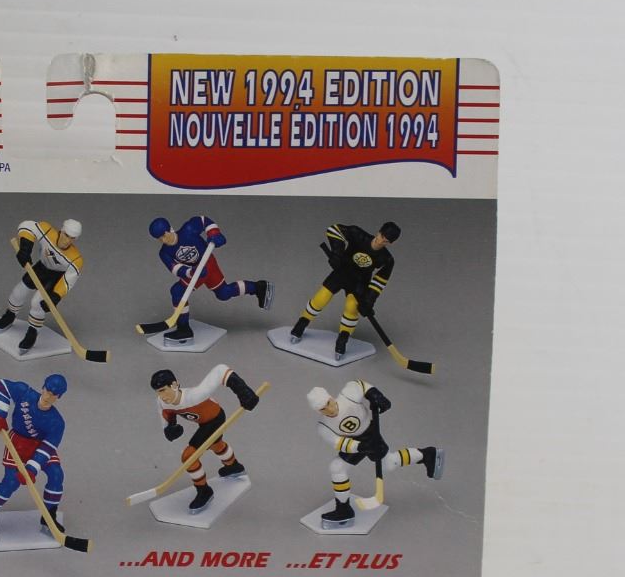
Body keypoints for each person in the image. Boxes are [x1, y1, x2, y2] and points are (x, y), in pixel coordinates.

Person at [307, 380, 441, 529]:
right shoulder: (323, 427)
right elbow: (339, 443)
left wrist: (375, 394)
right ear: (318, 411)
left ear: (331, 397)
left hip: (371, 434)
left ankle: (427, 455)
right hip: (355, 444)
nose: (329, 409)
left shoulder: (347, 397)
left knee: (389, 464)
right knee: (337, 467)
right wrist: (360, 447)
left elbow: (359, 385)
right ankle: (343, 509)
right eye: (323, 409)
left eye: (328, 403)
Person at [138, 215, 271, 342]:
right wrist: (190, 272)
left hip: (208, 263)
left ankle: (184, 329)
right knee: (221, 293)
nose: (163, 240)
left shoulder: (188, 230)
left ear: (170, 229)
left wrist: (214, 233)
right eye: (159, 238)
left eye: (163, 235)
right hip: (196, 271)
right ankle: (258, 287)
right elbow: (176, 269)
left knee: (182, 291)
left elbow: (203, 220)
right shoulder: (164, 253)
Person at [150, 364, 261, 513]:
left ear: (174, 385)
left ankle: (204, 491)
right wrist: (170, 428)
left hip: (215, 419)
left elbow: (221, 370)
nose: (162, 396)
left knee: (189, 456)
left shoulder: (194, 395)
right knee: (215, 444)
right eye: (158, 392)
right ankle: (233, 466)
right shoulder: (162, 402)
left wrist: (243, 391)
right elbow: (166, 417)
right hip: (203, 423)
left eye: (164, 390)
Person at [0, 373, 68, 539]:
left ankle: (49, 518)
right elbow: (0, 386)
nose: (48, 396)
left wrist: (32, 468)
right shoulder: (25, 393)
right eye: (47, 390)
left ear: (59, 397)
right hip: (17, 443)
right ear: (43, 387)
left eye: (54, 394)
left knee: (56, 474)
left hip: (40, 447)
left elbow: (47, 447)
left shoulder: (57, 422)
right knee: (11, 481)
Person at [288, 221, 399, 356]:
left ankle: (343, 339)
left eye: (386, 241)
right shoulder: (358, 235)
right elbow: (333, 230)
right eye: (382, 236)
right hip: (342, 272)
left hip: (359, 283)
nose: (381, 241)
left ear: (391, 243)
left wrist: (369, 300)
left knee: (352, 307)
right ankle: (301, 323)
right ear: (379, 231)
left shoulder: (387, 259)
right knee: (321, 297)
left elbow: (379, 282)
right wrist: (337, 254)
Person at [0, 219, 84, 352]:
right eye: (66, 235)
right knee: (19, 292)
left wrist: (56, 295)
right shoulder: (47, 231)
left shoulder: (76, 259)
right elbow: (27, 226)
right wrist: (25, 248)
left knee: (37, 303)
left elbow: (69, 279)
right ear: (62, 230)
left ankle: (33, 332)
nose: (67, 240)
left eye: (72, 238)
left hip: (55, 278)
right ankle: (9, 316)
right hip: (40, 269)